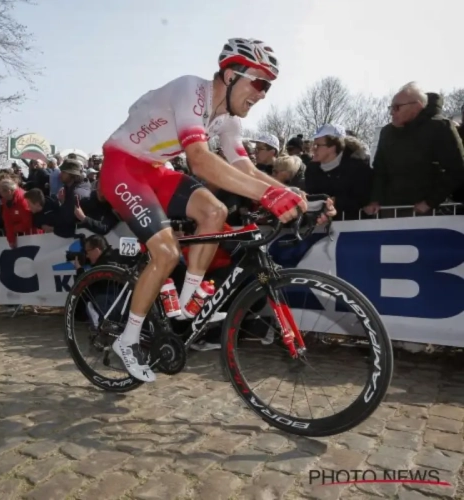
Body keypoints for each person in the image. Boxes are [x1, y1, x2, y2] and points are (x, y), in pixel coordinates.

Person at [99, 38, 334, 382]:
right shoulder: (191, 91)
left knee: (215, 212)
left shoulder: (229, 122)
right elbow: (199, 161)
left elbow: (247, 170)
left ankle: (187, 305)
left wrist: (297, 197)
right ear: (230, 74)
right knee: (165, 253)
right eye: (258, 82)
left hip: (157, 171)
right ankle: (127, 341)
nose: (263, 93)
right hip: (122, 166)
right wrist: (269, 197)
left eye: (268, 87)